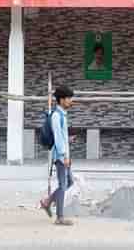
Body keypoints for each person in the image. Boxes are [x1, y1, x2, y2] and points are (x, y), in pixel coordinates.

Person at [40, 85, 74, 226]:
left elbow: (61, 136)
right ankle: (59, 217)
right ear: (61, 100)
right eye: (68, 99)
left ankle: (47, 202)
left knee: (69, 182)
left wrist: (68, 140)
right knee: (63, 184)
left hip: (64, 154)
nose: (71, 101)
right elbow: (58, 138)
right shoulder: (56, 116)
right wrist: (64, 155)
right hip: (61, 156)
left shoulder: (62, 115)